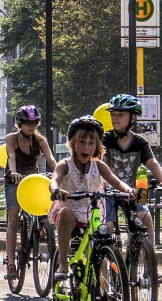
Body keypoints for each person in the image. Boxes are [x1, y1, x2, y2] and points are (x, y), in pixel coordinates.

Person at [49, 116, 135, 282]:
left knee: (101, 245)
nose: (86, 147)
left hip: (94, 214)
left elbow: (116, 182)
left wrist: (128, 190)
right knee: (65, 213)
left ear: (97, 146)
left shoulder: (99, 165)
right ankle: (63, 262)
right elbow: (54, 179)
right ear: (73, 143)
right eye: (82, 142)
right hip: (71, 215)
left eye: (91, 143)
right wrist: (56, 189)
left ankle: (104, 293)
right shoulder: (65, 164)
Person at [102, 94, 162, 283]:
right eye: (113, 115)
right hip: (110, 191)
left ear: (132, 118)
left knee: (146, 219)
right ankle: (106, 274)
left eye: (120, 115)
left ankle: (150, 269)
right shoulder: (106, 139)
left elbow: (152, 162)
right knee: (107, 228)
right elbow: (100, 163)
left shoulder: (140, 142)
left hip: (135, 192)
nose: (115, 118)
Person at [3, 105, 56, 280]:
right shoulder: (12, 138)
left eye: (34, 123)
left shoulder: (40, 141)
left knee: (44, 213)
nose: (31, 126)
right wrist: (13, 172)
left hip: (32, 180)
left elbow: (50, 158)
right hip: (15, 181)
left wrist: (60, 174)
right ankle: (11, 264)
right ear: (20, 123)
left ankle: (41, 233)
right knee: (13, 219)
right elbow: (11, 156)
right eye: (27, 123)